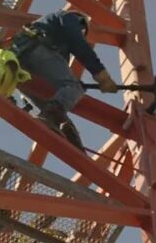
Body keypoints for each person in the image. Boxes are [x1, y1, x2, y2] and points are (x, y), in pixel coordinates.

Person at [11, 11, 119, 147]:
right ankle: (58, 125)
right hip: (36, 49)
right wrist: (102, 76)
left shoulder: (52, 32)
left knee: (53, 106)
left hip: (18, 62)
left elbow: (59, 69)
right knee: (72, 89)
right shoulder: (69, 18)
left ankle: (70, 139)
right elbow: (78, 43)